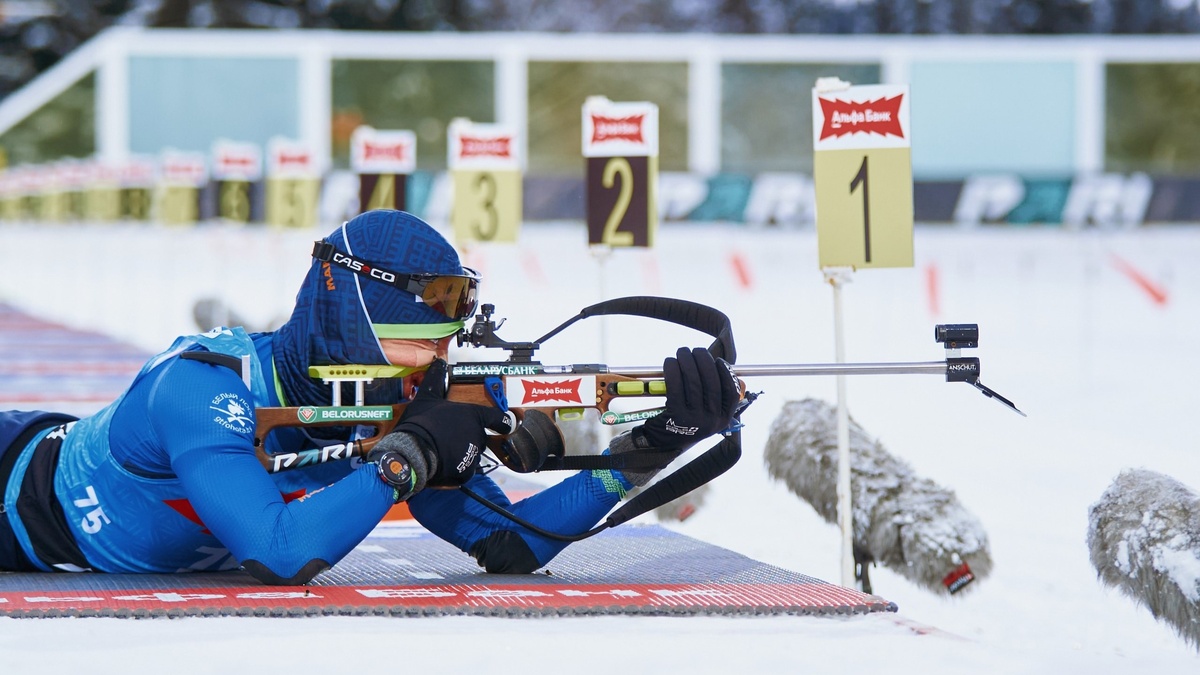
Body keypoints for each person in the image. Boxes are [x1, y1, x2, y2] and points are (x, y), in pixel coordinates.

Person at [0, 209, 739, 585]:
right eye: (418, 341)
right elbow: (279, 556)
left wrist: (652, 448)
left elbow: (509, 543)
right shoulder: (200, 388)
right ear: (350, 317)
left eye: (446, 342)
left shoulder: (385, 400)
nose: (436, 363)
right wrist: (408, 457)